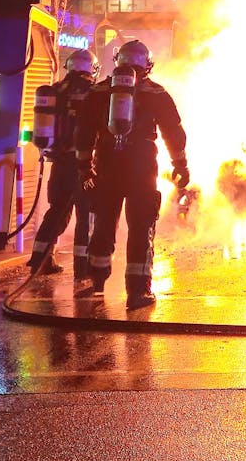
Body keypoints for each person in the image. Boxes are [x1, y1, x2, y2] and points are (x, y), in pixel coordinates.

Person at [75, 39, 188, 310]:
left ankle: (97, 279)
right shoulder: (157, 93)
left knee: (103, 224)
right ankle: (138, 292)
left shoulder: (99, 91)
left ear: (118, 61)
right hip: (142, 169)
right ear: (147, 65)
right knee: (141, 228)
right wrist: (180, 164)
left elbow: (84, 131)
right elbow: (173, 132)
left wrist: (84, 166)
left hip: (106, 167)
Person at [26, 49, 98, 278]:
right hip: (84, 165)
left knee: (57, 210)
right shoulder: (93, 93)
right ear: (91, 69)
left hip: (59, 163)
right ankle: (83, 268)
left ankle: (40, 259)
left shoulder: (55, 91)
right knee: (85, 215)